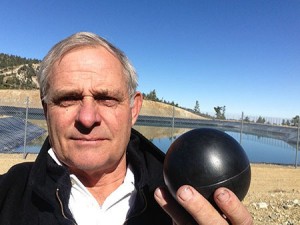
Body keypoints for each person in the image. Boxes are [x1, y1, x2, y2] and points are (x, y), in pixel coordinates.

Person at [0, 32, 253, 225]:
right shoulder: (7, 196)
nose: (87, 118)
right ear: (46, 111)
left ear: (133, 110)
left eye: (107, 98)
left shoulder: (186, 202)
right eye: (68, 99)